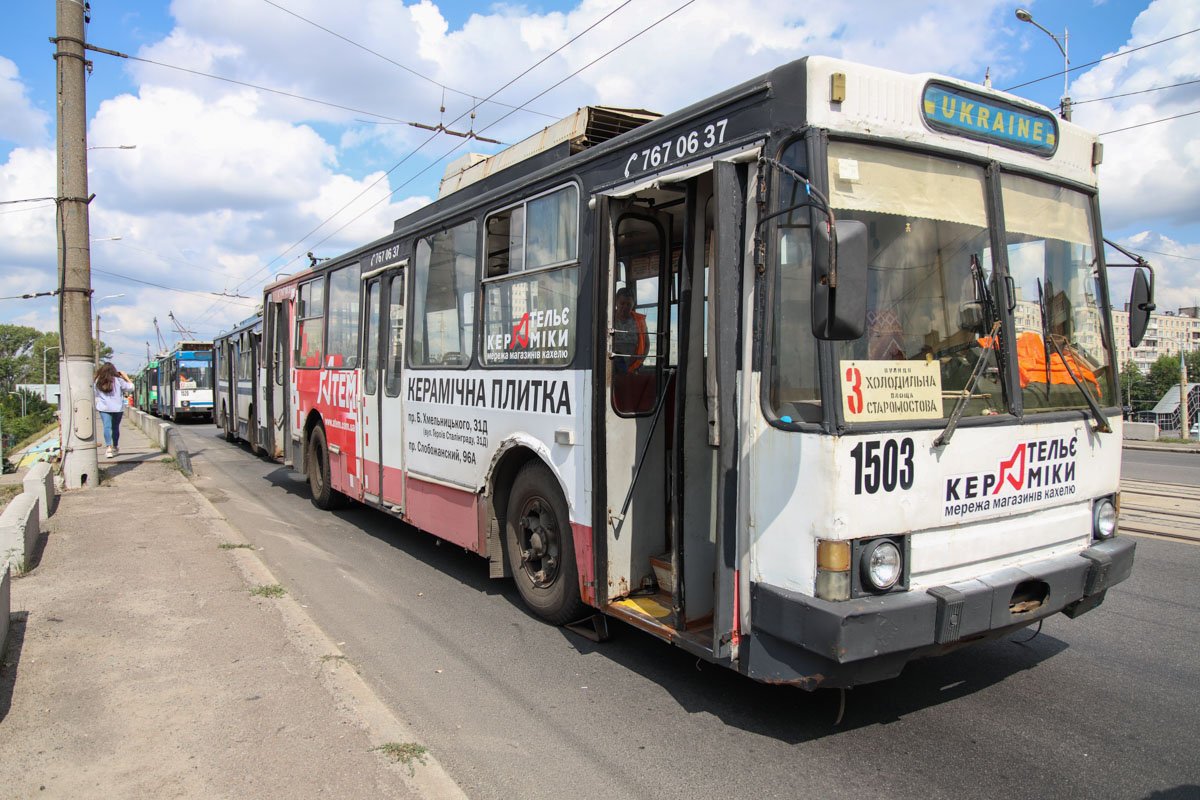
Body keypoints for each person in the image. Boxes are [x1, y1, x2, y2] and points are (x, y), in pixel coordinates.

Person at [94, 362, 133, 458]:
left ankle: (108, 448)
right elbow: (131, 388)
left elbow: (95, 394)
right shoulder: (118, 380)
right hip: (117, 408)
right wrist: (126, 377)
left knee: (106, 427)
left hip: (104, 408)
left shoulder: (98, 381)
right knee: (115, 427)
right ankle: (115, 446)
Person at [612, 287, 648, 375]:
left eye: (628, 304)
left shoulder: (639, 321)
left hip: (634, 368)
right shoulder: (608, 319)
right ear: (616, 302)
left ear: (633, 304)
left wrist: (639, 363)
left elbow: (646, 344)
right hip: (612, 367)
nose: (625, 307)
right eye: (622, 303)